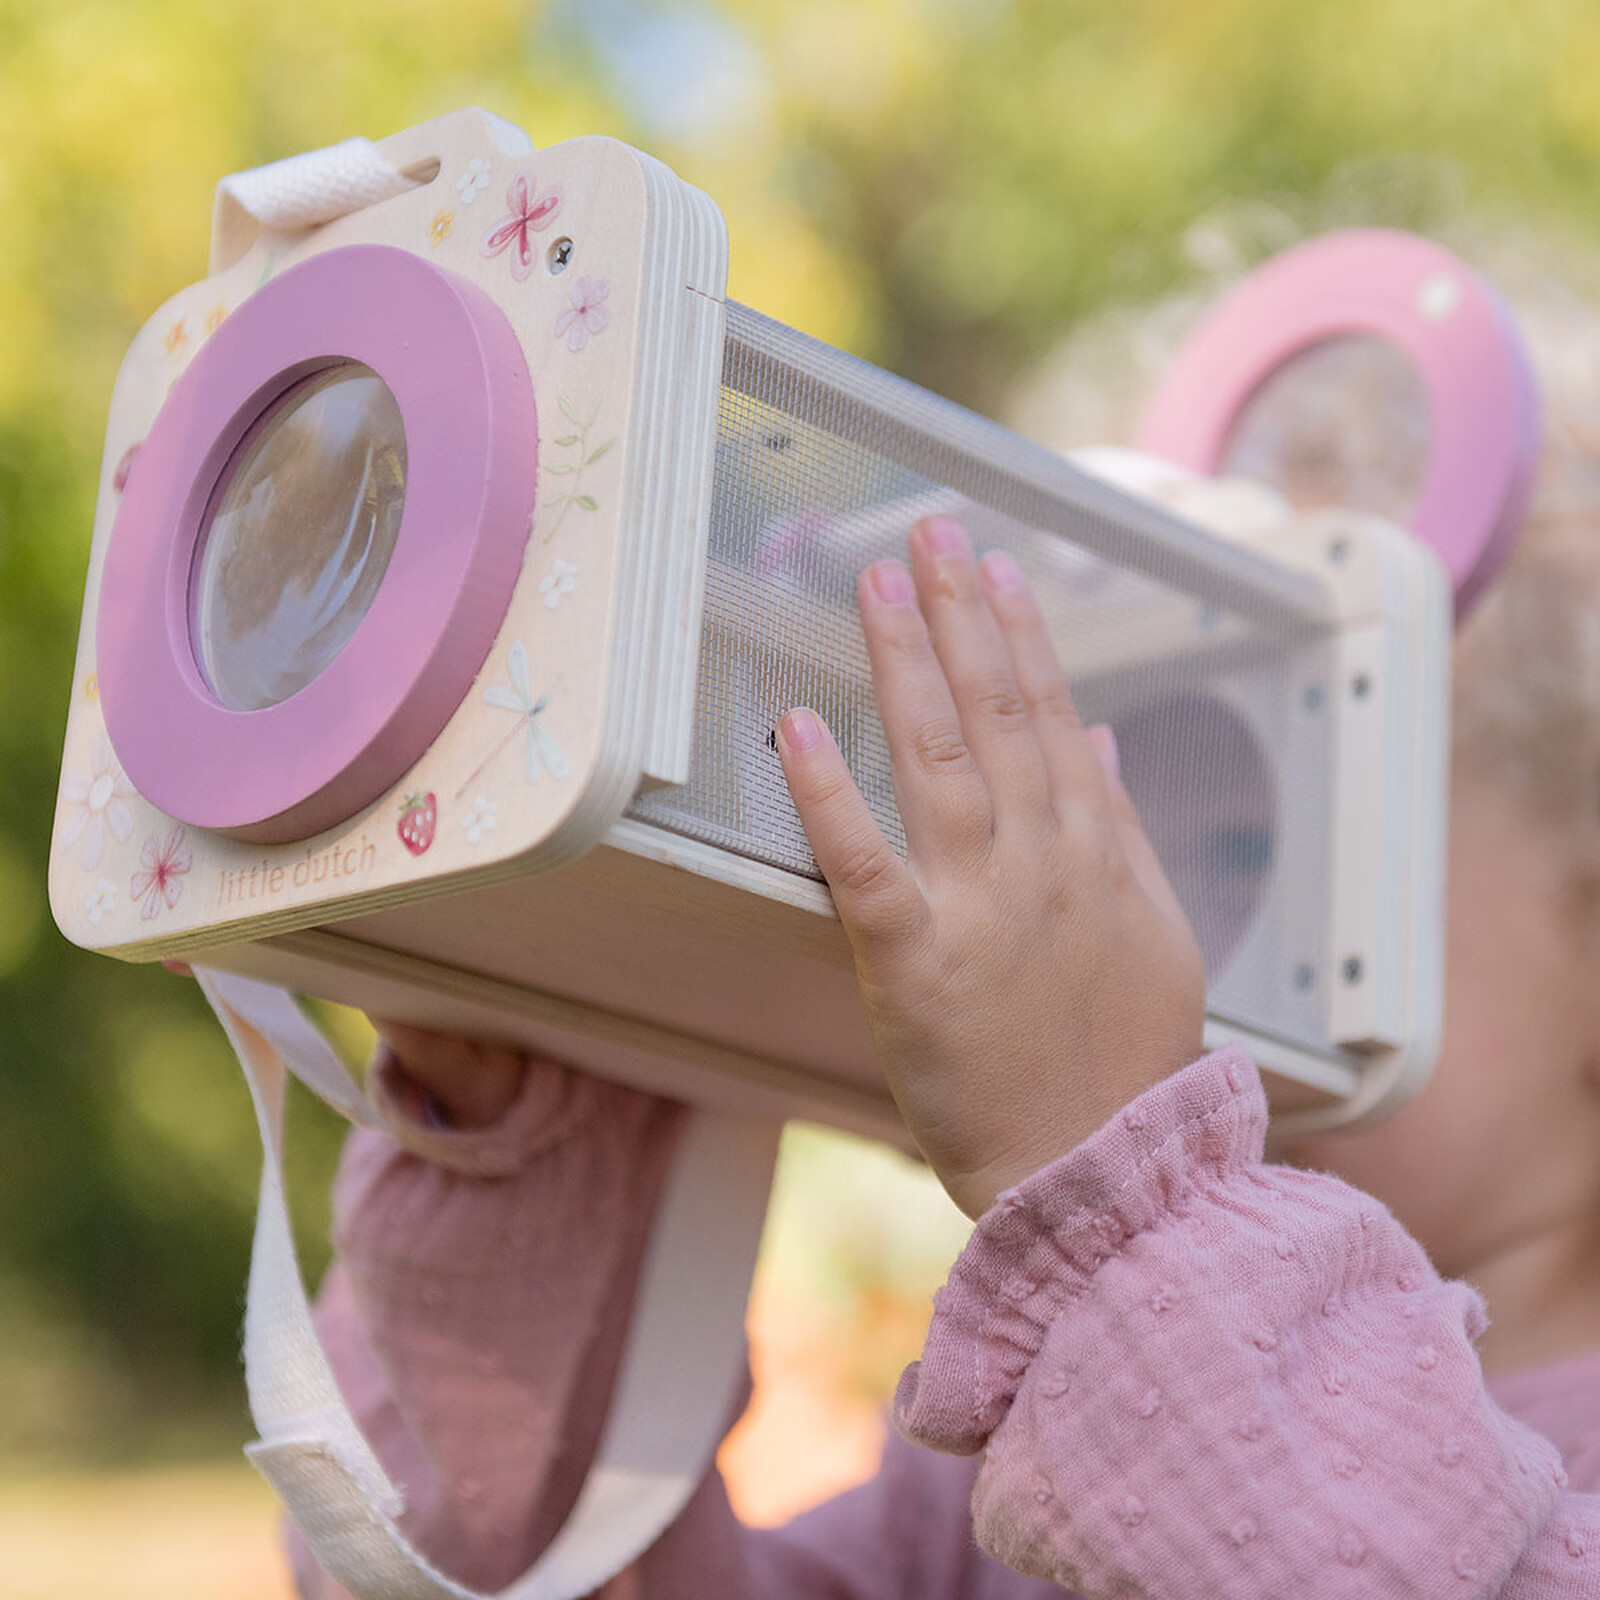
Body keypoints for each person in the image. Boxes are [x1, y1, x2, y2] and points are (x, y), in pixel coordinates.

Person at [286, 245, 1600, 1595]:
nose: (1136, 925)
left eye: (1261, 838)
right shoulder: (1031, 1451)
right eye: (1100, 817)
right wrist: (529, 1158)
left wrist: (1138, 1213)